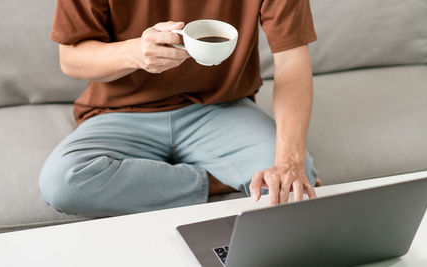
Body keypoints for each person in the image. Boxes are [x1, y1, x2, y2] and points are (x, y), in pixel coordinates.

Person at [40, 0, 320, 217]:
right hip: (120, 112)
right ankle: (215, 179)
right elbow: (70, 58)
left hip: (221, 109)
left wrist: (289, 163)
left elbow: (291, 59)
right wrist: (135, 53)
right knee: (62, 182)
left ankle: (156, 177)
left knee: (298, 176)